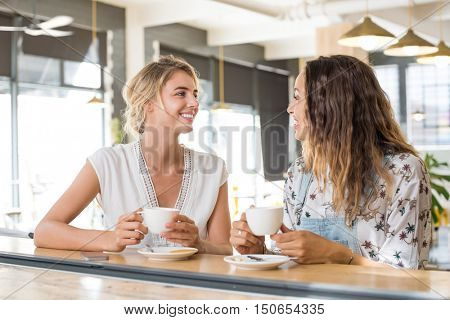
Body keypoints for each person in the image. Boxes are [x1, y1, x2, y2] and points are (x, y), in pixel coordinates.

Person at [231, 55, 431, 269]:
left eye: (298, 98)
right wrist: (259, 252)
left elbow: (407, 276)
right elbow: (291, 262)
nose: (290, 108)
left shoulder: (403, 171)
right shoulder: (299, 173)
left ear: (330, 105)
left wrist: (337, 254)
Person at [34, 55, 232, 255]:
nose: (194, 103)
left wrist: (199, 244)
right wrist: (111, 238)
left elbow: (224, 249)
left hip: (195, 286)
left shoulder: (214, 169)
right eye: (181, 94)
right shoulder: (107, 163)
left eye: (195, 94)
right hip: (125, 286)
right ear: (148, 104)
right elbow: (45, 231)